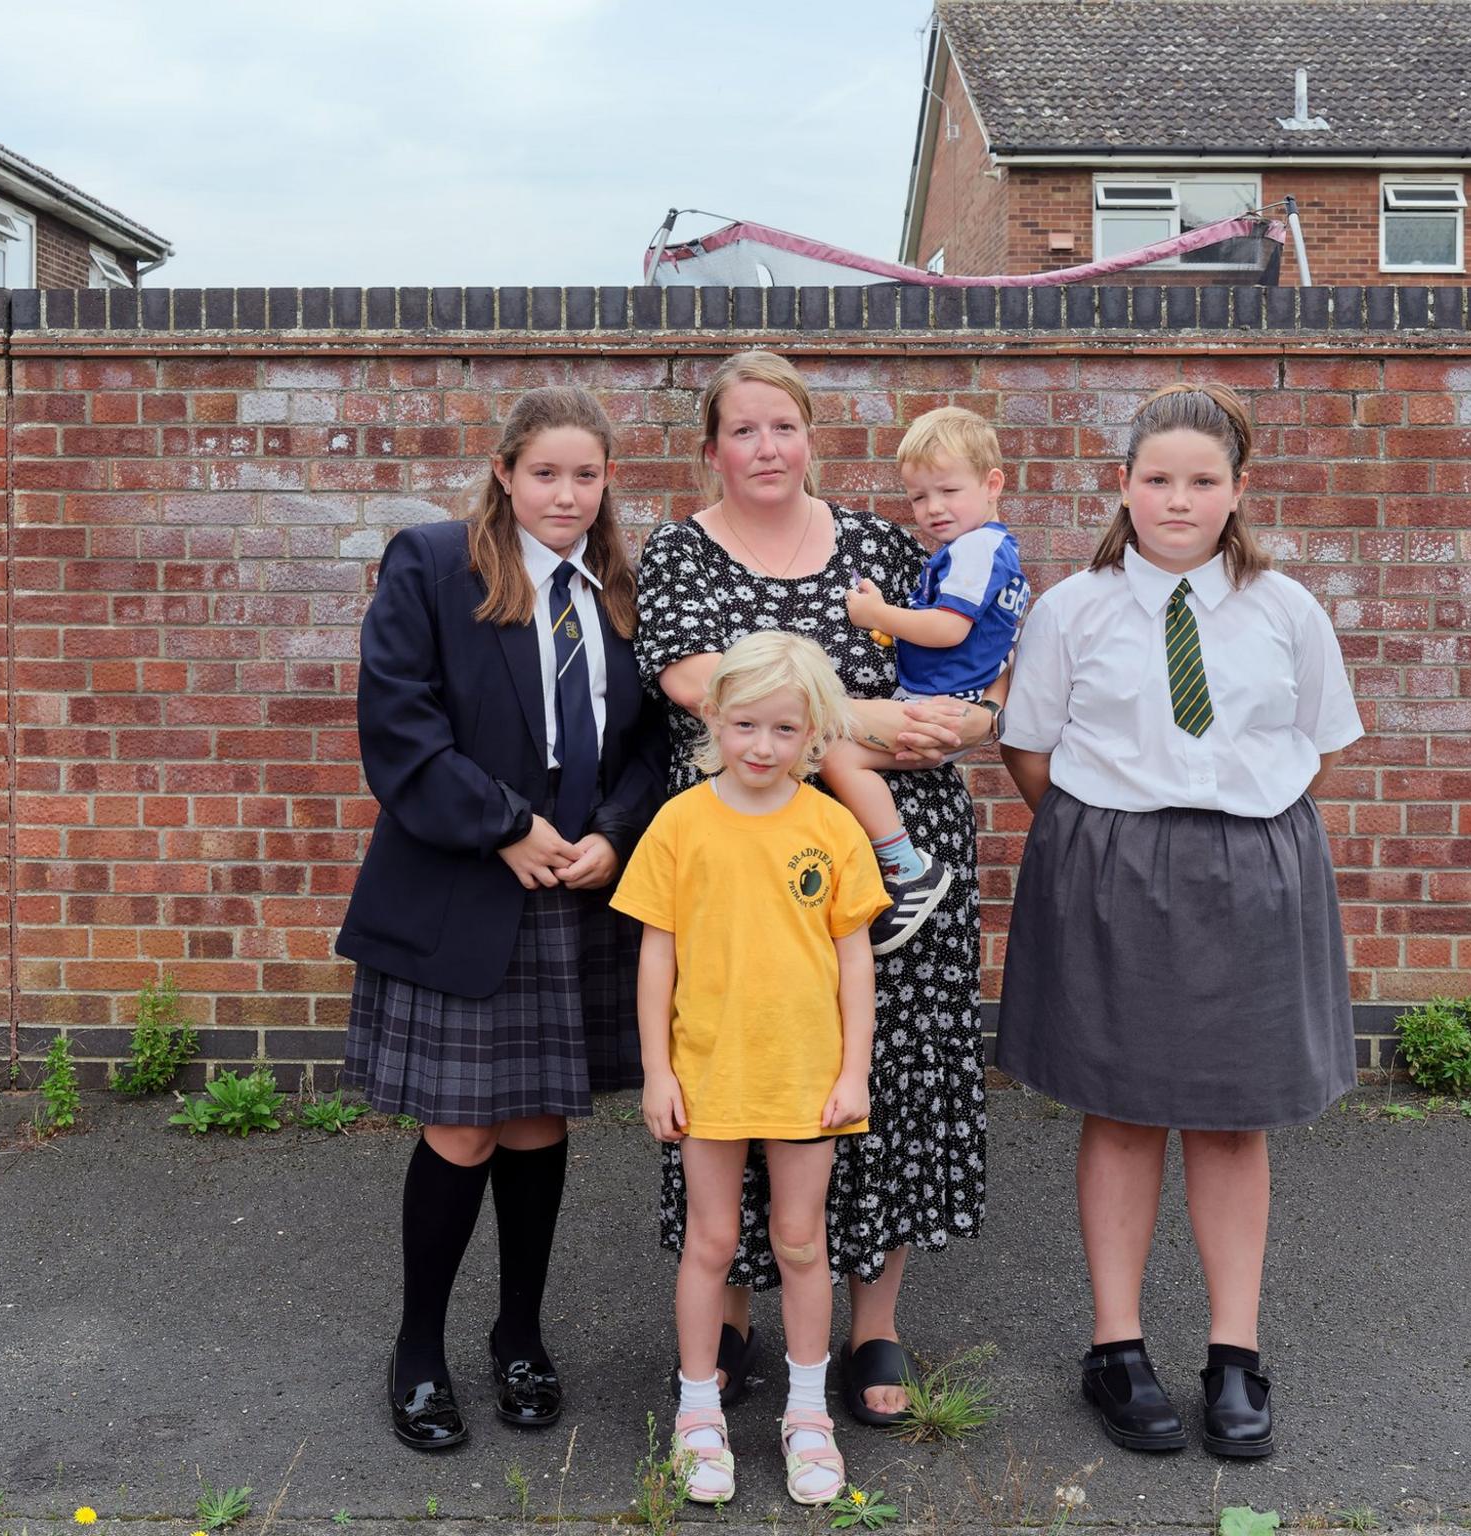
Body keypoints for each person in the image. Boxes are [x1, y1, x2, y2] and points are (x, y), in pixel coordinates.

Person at [995, 381, 1362, 1461]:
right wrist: (1111, 840)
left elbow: (1318, 744)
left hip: (1247, 868)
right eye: (1155, 478)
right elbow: (1028, 747)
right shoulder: (1071, 608)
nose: (1176, 499)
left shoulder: (1285, 608)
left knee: (1228, 1115)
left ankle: (1232, 1354)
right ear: (1121, 485)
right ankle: (1115, 1348)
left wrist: (1234, 834)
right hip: (1111, 862)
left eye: (1202, 481)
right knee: (1116, 1111)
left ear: (1238, 491)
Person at [632, 349, 998, 1427]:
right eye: (741, 431)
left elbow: (972, 664)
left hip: (900, 859)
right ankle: (733, 1314)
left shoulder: (884, 547)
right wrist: (862, 719)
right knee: (736, 1067)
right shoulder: (679, 555)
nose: (764, 448)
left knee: (874, 1070)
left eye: (781, 427)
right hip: (742, 864)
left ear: (809, 436)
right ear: (711, 450)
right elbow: (696, 684)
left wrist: (966, 719)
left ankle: (872, 1318)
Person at [335, 385, 667, 1452]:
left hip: (580, 891)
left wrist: (616, 831)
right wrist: (505, 828)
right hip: (466, 885)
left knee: (536, 1123)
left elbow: (651, 740)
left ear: (606, 480)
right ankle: (418, 1349)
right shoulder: (433, 565)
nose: (564, 494)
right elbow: (398, 728)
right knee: (463, 1126)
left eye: (585, 474)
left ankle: (518, 1336)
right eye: (544, 473)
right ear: (503, 472)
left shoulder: (619, 587)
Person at [612, 631, 889, 1506]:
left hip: (808, 1077)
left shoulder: (832, 826)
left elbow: (855, 961)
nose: (761, 747)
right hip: (711, 1073)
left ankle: (808, 1417)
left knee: (802, 1241)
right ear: (712, 721)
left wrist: (856, 1070)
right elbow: (657, 955)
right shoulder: (682, 823)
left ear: (814, 734)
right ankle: (701, 1414)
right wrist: (658, 1071)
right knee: (713, 1240)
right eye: (744, 726)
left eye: (782, 729)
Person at [824, 405, 1030, 954]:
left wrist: (877, 615)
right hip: (948, 699)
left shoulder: (975, 549)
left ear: (992, 485)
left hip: (937, 706)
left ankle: (906, 865)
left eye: (948, 491)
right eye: (919, 497)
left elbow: (947, 628)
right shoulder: (987, 549)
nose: (933, 509)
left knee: (836, 755)